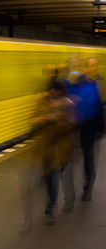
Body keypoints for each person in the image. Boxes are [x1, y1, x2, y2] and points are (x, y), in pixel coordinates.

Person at [32, 75, 75, 224]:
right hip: (45, 149)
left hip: (59, 149)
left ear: (59, 91)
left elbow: (69, 126)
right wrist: (43, 119)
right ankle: (51, 207)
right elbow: (33, 120)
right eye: (48, 89)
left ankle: (51, 208)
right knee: (50, 178)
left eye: (52, 90)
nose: (49, 92)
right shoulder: (42, 102)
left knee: (54, 178)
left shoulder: (68, 105)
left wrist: (57, 120)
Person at [66, 56, 104, 202]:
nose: (93, 68)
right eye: (91, 66)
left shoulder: (98, 83)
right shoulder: (78, 82)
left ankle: (87, 187)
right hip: (76, 127)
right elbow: (69, 98)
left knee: (88, 159)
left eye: (95, 65)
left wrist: (101, 128)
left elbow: (99, 107)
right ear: (86, 67)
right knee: (71, 160)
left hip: (90, 128)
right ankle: (69, 194)